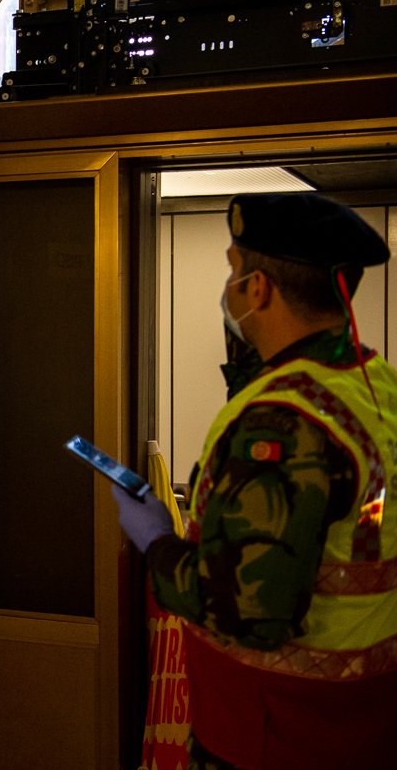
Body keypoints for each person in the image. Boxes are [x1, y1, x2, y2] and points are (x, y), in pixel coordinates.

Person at [111, 193, 397, 770]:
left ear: (259, 289)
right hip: (363, 724)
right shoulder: (374, 384)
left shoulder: (282, 421)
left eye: (234, 269)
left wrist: (156, 540)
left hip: (274, 732)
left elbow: (245, 609)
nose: (230, 287)